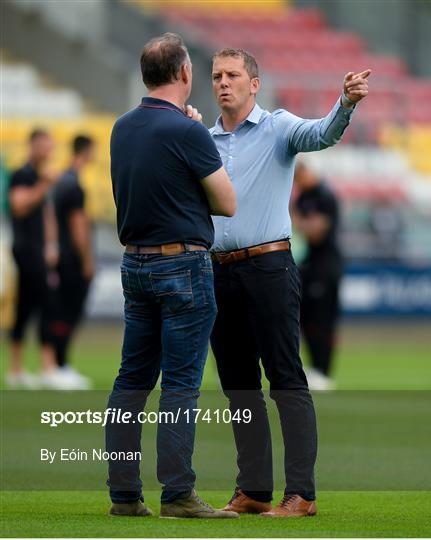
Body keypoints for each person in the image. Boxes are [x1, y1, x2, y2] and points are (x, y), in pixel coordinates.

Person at [208, 48, 370, 517]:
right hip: (220, 270)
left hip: (269, 267)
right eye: (217, 75)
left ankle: (301, 493)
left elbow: (322, 134)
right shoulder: (201, 139)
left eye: (233, 75)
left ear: (254, 84)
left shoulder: (278, 126)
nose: (223, 83)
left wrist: (346, 103)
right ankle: (254, 489)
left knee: (285, 378)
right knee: (238, 385)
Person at [106, 33, 237, 519]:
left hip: (134, 263)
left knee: (130, 381)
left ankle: (123, 494)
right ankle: (178, 493)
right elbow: (226, 202)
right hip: (182, 263)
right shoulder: (188, 132)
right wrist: (197, 138)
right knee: (181, 384)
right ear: (184, 74)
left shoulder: (122, 127)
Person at [7, 129, 75, 389]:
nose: (48, 152)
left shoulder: (37, 177)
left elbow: (46, 216)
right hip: (25, 250)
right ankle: (47, 367)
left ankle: (17, 369)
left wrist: (52, 245)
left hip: (39, 250)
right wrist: (44, 185)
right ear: (32, 146)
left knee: (26, 306)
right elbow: (19, 205)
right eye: (44, 146)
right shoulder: (22, 175)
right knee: (47, 303)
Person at [49, 135, 96, 390]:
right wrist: (87, 259)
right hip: (72, 260)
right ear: (86, 151)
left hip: (62, 255)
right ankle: (60, 365)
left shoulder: (62, 180)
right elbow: (78, 227)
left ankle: (58, 364)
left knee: (62, 310)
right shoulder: (74, 186)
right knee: (70, 311)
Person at [292, 163, 343, 391]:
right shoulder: (303, 197)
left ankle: (324, 370)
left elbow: (316, 232)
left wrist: (296, 220)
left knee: (323, 320)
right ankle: (314, 368)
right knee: (306, 319)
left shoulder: (324, 196)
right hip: (308, 264)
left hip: (326, 266)